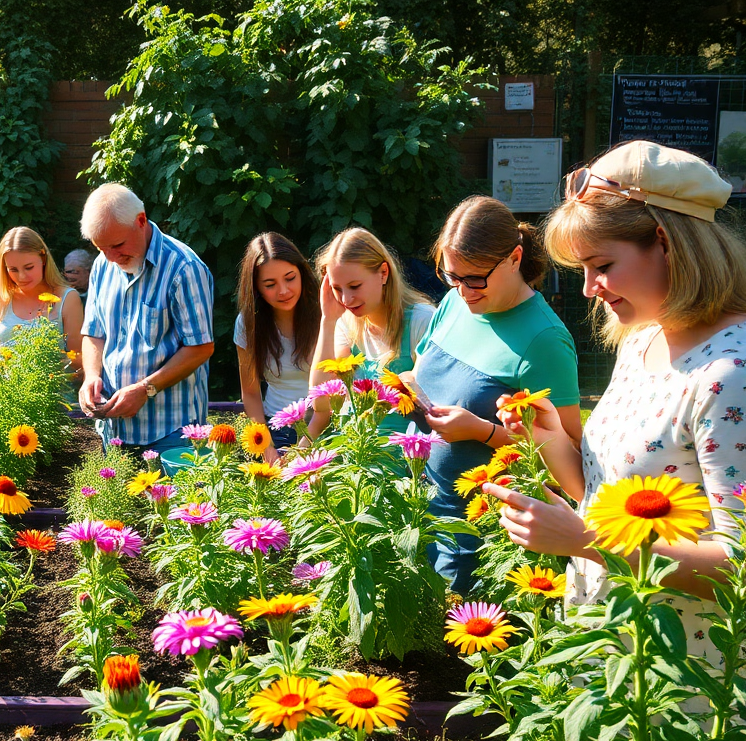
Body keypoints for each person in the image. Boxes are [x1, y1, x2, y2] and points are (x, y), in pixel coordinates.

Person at [484, 141, 746, 666]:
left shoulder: (731, 374)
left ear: (668, 243)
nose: (588, 289)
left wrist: (588, 541)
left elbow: (737, 569)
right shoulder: (642, 341)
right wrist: (547, 435)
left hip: (686, 677)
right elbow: (604, 494)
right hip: (614, 654)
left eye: (601, 264)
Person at [411, 195, 581, 596]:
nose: (464, 291)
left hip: (482, 534)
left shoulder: (544, 340)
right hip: (419, 508)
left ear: (514, 258)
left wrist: (481, 431)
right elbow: (421, 369)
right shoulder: (454, 302)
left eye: (475, 278)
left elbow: (571, 454)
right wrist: (408, 385)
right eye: (451, 276)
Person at [78, 183, 214, 452]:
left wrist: (145, 389)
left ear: (141, 221)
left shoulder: (184, 267)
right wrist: (91, 376)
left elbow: (201, 348)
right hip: (114, 430)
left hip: (172, 431)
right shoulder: (102, 265)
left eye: (117, 245)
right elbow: (94, 333)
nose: (111, 257)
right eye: (101, 248)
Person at [309, 228, 436, 437]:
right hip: (359, 451)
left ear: (383, 273)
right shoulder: (346, 323)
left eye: (354, 286)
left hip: (409, 451)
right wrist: (328, 320)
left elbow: (434, 405)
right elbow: (322, 403)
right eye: (337, 288)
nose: (346, 299)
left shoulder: (422, 320)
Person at [234, 232, 320, 461]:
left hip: (326, 428)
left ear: (302, 272)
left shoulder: (326, 314)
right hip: (277, 430)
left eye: (290, 278)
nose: (283, 291)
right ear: (256, 288)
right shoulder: (247, 323)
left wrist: (301, 452)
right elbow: (250, 393)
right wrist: (267, 449)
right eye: (270, 284)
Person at [0, 226, 84, 355]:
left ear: (43, 259)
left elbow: (78, 357)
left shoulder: (67, 298)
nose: (22, 277)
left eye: (29, 267)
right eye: (13, 270)